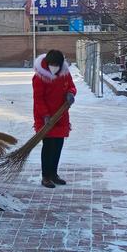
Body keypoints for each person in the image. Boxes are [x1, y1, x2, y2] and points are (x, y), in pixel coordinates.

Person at [32, 50, 77, 189]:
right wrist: (45, 115)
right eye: (52, 64)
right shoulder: (39, 77)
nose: (54, 67)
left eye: (57, 65)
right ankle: (46, 176)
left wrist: (71, 93)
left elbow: (71, 86)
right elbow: (38, 99)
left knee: (58, 144)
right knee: (48, 146)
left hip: (61, 114)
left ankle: (54, 174)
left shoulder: (65, 74)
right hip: (45, 116)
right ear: (47, 63)